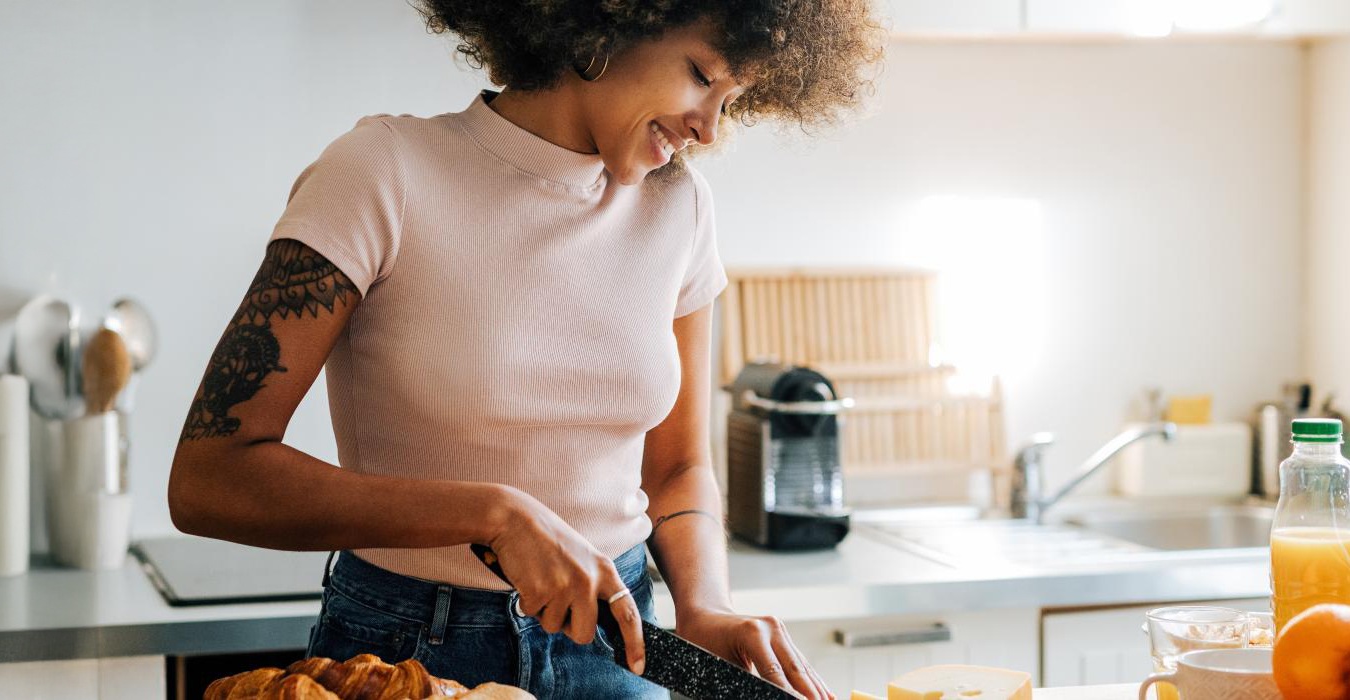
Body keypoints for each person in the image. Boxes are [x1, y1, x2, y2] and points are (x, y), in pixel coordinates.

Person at [170, 1, 882, 697]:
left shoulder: (682, 208)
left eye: (734, 98)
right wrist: (494, 515)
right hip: (408, 652)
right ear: (606, 20)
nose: (710, 126)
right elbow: (210, 478)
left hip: (623, 646)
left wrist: (704, 606)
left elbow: (679, 468)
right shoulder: (380, 172)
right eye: (701, 74)